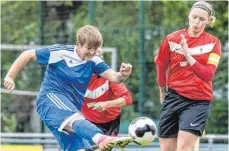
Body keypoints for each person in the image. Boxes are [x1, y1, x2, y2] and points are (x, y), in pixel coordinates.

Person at [4, 25, 133, 151]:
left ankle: (100, 138)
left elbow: (115, 77)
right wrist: (10, 76)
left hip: (71, 111)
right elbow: (28, 54)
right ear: (79, 43)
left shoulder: (94, 61)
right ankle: (101, 138)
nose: (92, 52)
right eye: (88, 48)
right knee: (77, 121)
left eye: (95, 49)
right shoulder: (61, 52)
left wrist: (123, 74)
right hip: (50, 100)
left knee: (80, 148)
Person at [154, 1, 221, 151]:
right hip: (173, 97)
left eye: (202, 19)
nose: (196, 22)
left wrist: (188, 55)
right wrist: (162, 91)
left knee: (183, 148)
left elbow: (207, 75)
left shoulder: (213, 43)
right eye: (194, 17)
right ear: (188, 16)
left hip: (198, 102)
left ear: (209, 21)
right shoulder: (171, 39)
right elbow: (161, 65)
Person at [82, 48, 133, 138]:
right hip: (88, 121)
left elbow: (128, 99)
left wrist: (107, 104)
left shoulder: (110, 76)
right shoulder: (75, 78)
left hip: (111, 122)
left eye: (98, 53)